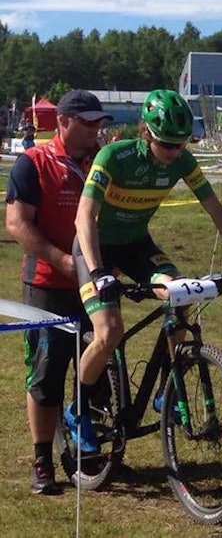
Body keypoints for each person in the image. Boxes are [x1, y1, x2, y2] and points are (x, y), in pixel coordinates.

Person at [69, 89, 222, 454]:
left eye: (180, 145)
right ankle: (78, 410)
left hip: (137, 244)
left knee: (180, 292)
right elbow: (84, 216)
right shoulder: (114, 156)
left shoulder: (181, 161)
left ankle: (166, 390)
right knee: (109, 332)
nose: (174, 153)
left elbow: (216, 210)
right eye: (166, 145)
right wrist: (97, 272)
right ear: (147, 133)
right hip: (93, 245)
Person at [6, 90, 110, 494]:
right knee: (47, 373)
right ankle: (42, 459)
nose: (96, 130)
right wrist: (61, 260)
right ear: (62, 122)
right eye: (87, 123)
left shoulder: (99, 162)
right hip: (48, 284)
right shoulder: (32, 163)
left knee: (103, 365)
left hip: (93, 281)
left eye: (99, 122)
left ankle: (93, 449)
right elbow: (17, 223)